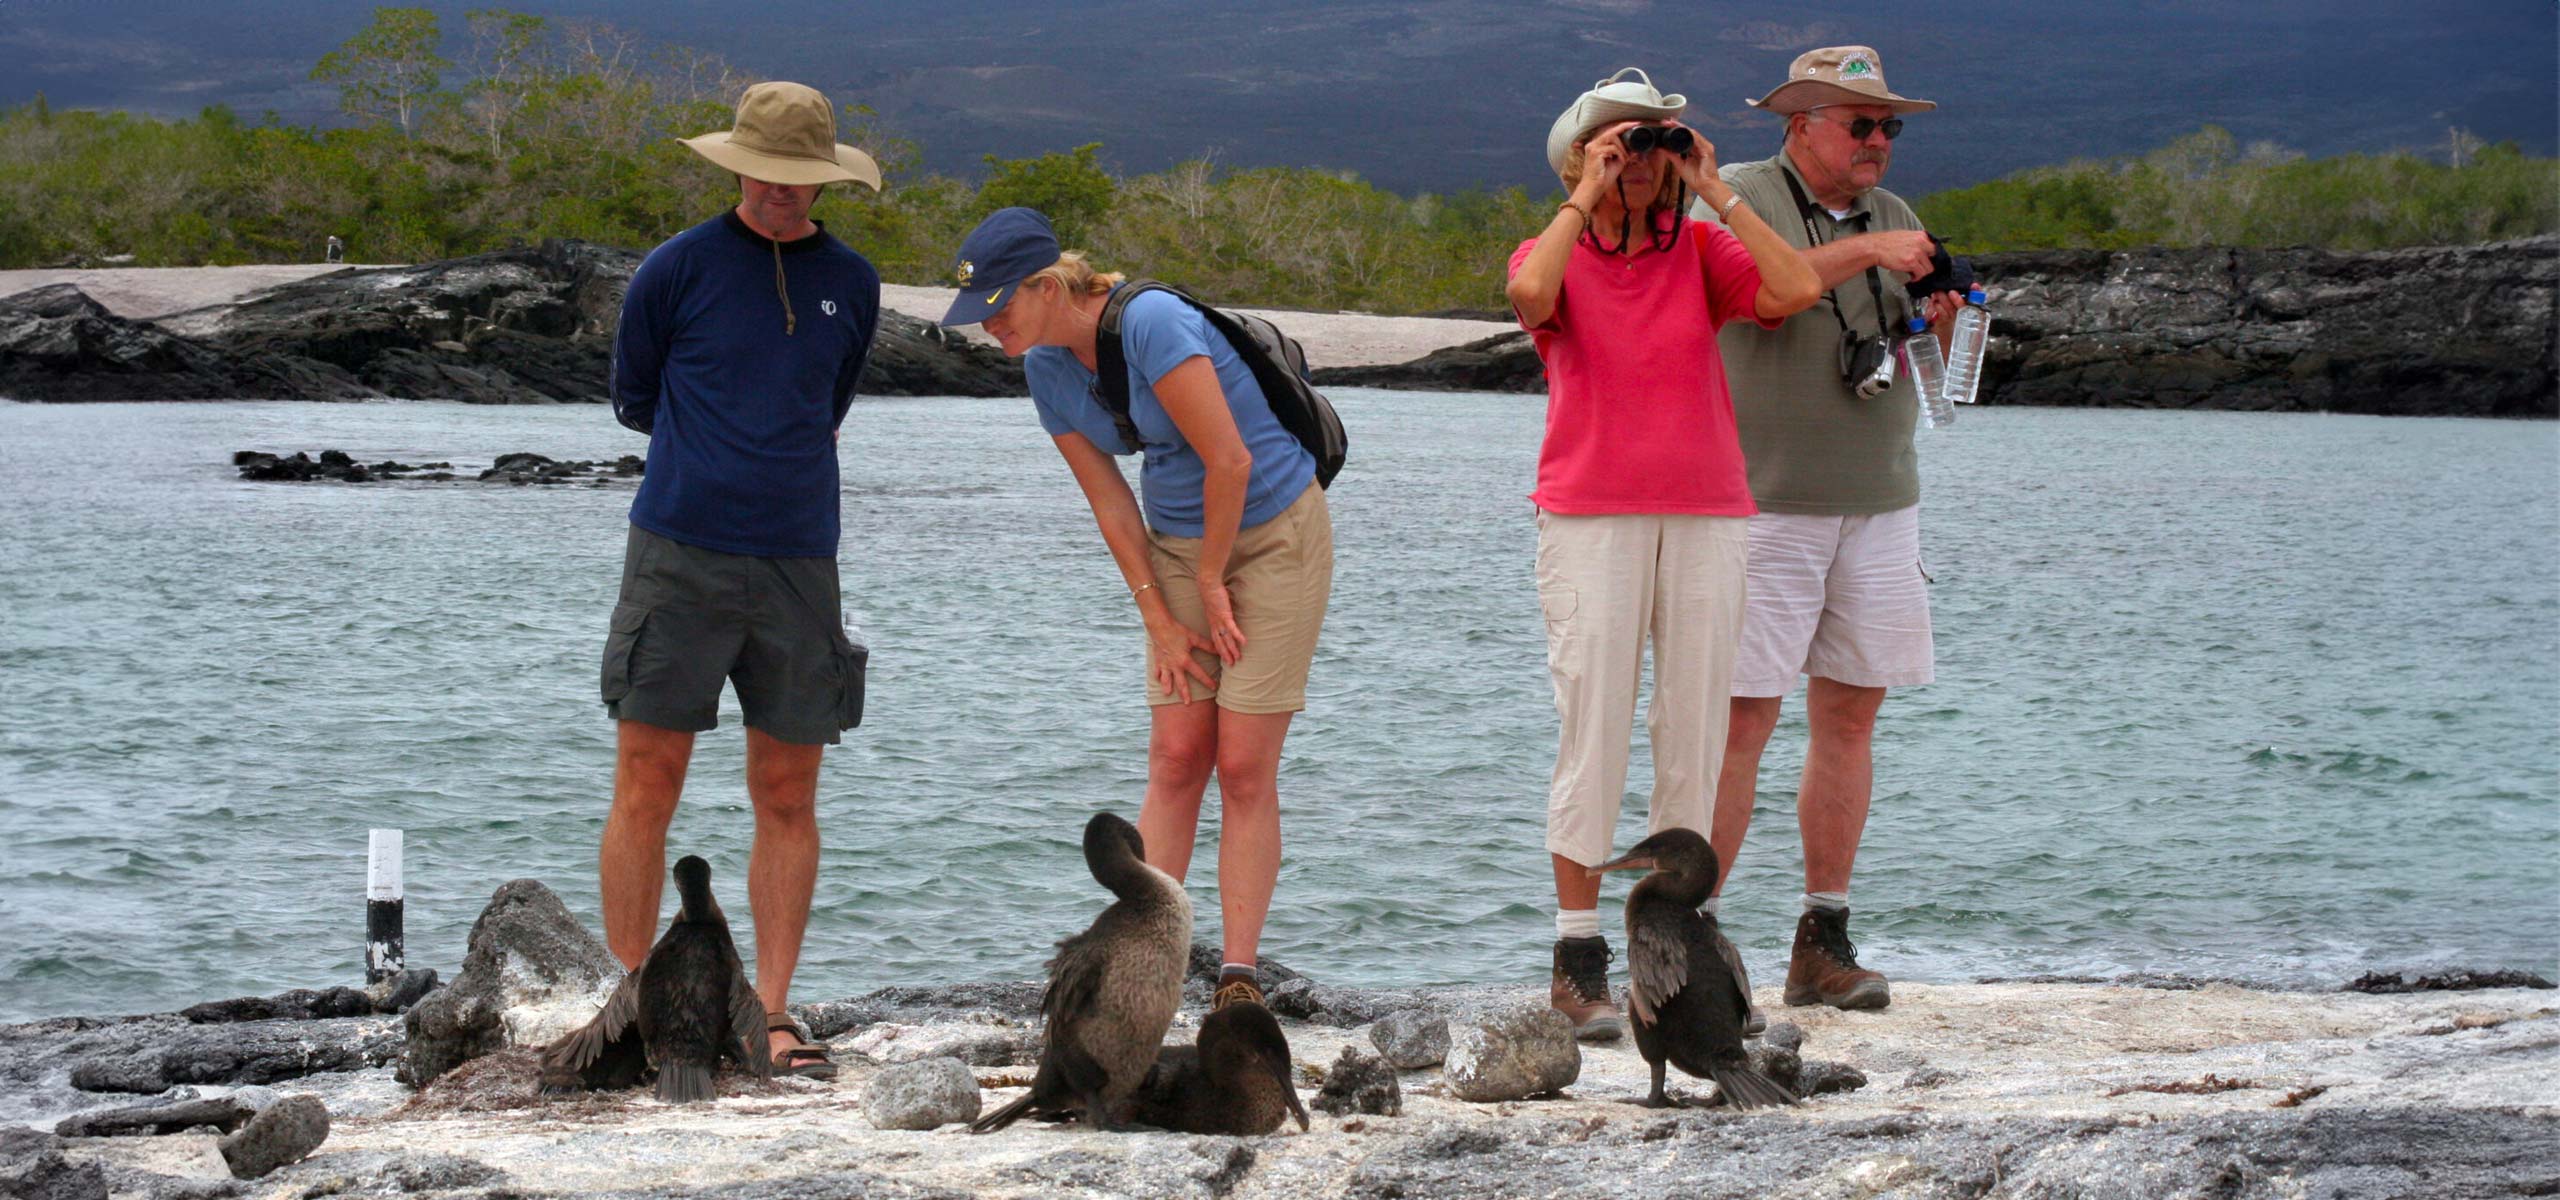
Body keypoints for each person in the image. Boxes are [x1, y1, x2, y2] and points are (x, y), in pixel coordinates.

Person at [937, 207, 1333, 1013]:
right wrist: (1157, 612)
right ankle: (1143, 960)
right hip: (1179, 544)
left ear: (1049, 287)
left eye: (999, 308)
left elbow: (1230, 458)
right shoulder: (1042, 367)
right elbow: (1110, 503)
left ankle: (1238, 978)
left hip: (1274, 531)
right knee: (1178, 752)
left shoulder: (1150, 321)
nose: (988, 328)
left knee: (1245, 764)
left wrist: (1216, 577)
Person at [1505, 68, 1820, 1040]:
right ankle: (1576, 955)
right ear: (1578, 156)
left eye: (1650, 144)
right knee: (1590, 722)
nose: (1636, 159)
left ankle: (1675, 957)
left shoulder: (1702, 251)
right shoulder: (1551, 244)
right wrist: (1584, 194)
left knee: (1693, 730)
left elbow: (1797, 287)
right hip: (1591, 513)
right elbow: (1529, 292)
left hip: (1707, 511)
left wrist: (1716, 186)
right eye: (1615, 143)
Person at [598, 81, 883, 1077]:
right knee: (647, 779)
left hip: (803, 560)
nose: (781, 194)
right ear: (737, 167)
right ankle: (637, 1008)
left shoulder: (854, 278)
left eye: (801, 179)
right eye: (766, 174)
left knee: (788, 789)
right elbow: (635, 398)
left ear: (822, 181)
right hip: (679, 550)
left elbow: (827, 403)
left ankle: (772, 1010)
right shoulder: (674, 270)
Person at [1704, 46, 1957, 1012]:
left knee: (1851, 716)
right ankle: (1694, 945)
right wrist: (1867, 253)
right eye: (1861, 124)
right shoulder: (1734, 194)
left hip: (1881, 498)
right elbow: (1766, 291)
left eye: (1889, 126)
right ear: (1801, 121)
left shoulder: (1896, 217)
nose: (1881, 142)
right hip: (1761, 506)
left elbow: (1904, 352)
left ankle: (1823, 938)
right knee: (1740, 724)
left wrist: (1936, 322)